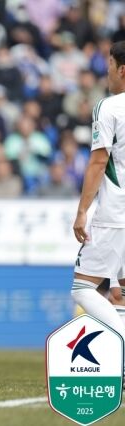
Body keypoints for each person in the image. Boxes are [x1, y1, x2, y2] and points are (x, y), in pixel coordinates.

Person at [71, 40, 125, 341]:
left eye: (109, 68)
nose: (107, 75)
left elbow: (98, 161)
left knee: (82, 287)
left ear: (122, 70)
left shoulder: (109, 107)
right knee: (123, 294)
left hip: (116, 210)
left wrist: (82, 212)